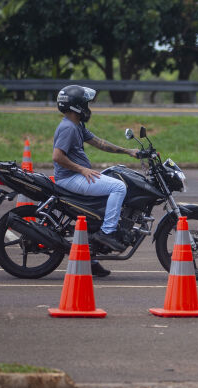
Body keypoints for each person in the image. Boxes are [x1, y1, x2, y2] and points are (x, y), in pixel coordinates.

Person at [52, 85, 139, 277]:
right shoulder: (68, 127)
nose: (88, 107)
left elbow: (99, 143)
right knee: (118, 187)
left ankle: (92, 258)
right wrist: (82, 169)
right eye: (85, 103)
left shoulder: (77, 125)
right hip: (70, 178)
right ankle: (107, 233)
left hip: (77, 176)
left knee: (112, 180)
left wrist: (128, 152)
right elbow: (57, 156)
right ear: (76, 106)